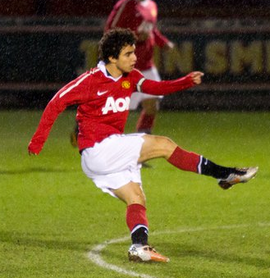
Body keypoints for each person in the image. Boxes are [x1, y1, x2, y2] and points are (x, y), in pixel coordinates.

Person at [28, 28, 258, 263]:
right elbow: (56, 102)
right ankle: (225, 174)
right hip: (99, 150)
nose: (134, 58)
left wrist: (184, 82)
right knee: (163, 144)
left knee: (136, 197)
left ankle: (139, 247)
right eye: (128, 54)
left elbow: (155, 88)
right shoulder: (90, 80)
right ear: (111, 58)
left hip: (105, 156)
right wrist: (38, 140)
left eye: (134, 52)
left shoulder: (131, 77)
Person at [70, 0, 174, 147]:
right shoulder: (126, 4)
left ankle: (141, 148)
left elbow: (151, 29)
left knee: (152, 105)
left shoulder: (151, 5)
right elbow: (110, 30)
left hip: (146, 64)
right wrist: (135, 36)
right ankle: (82, 126)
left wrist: (162, 42)